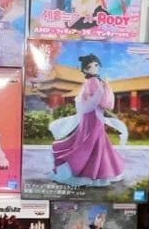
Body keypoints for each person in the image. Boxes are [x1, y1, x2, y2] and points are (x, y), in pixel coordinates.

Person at [49, 54, 126, 186]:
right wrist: (106, 86)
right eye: (90, 66)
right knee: (93, 142)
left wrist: (104, 86)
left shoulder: (89, 81)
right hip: (94, 117)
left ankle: (94, 171)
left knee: (90, 141)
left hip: (89, 116)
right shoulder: (94, 81)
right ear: (85, 70)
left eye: (96, 65)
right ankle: (95, 172)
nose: (94, 68)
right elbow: (104, 102)